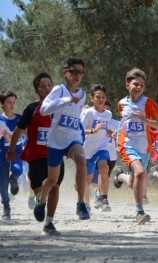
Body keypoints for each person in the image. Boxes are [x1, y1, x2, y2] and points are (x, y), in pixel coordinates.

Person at [6, 73, 64, 235]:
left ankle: (49, 223)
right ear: (37, 90)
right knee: (40, 189)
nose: (46, 89)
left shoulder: (61, 108)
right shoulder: (32, 109)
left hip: (55, 154)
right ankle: (40, 201)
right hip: (36, 157)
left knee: (55, 188)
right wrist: (11, 150)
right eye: (42, 86)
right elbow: (18, 130)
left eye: (49, 85)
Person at [37, 57, 90, 221]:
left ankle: (81, 203)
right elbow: (44, 110)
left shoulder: (83, 94)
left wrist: (81, 134)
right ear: (65, 72)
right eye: (74, 71)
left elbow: (76, 116)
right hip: (56, 141)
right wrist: (66, 100)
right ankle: (41, 201)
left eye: (81, 72)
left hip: (73, 139)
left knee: (81, 160)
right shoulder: (59, 90)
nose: (77, 75)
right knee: (52, 180)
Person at [115, 67, 158, 224]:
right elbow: (124, 122)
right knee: (141, 172)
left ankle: (120, 176)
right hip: (127, 144)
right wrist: (117, 138)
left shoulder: (148, 103)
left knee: (134, 181)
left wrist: (145, 120)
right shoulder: (121, 104)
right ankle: (139, 211)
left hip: (145, 147)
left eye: (142, 85)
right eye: (136, 84)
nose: (139, 87)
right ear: (127, 85)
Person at [80, 85, 112, 212]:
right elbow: (79, 129)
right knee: (87, 178)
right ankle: (86, 204)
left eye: (103, 97)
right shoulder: (87, 113)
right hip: (87, 148)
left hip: (101, 146)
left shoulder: (108, 114)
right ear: (92, 98)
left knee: (104, 168)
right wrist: (93, 130)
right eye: (98, 97)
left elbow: (104, 128)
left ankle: (104, 199)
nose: (101, 100)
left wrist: (108, 132)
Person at [0, 91, 23, 220]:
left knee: (18, 169)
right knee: (2, 182)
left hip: (17, 151)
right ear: (1, 104)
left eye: (14, 102)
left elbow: (27, 134)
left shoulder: (20, 119)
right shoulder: (0, 120)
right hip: (2, 153)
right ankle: (6, 207)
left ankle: (13, 179)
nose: (12, 105)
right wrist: (7, 138)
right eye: (9, 102)